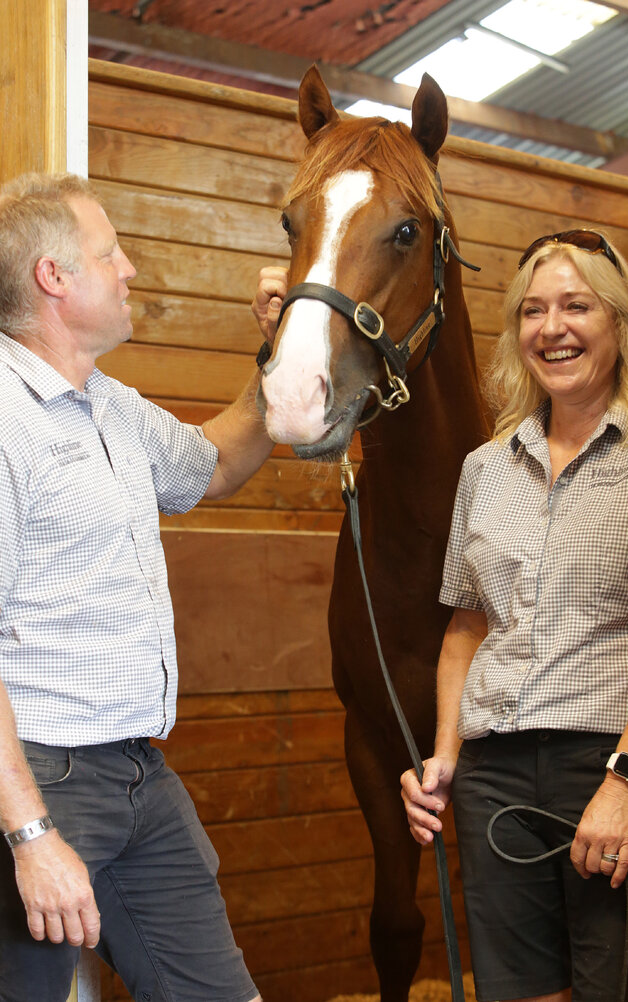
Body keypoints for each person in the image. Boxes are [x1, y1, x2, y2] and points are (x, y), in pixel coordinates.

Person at [0, 172, 280, 1002]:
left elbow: (218, 460)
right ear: (55, 277)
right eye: (110, 252)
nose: (130, 270)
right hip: (38, 779)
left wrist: (279, 354)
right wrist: (29, 834)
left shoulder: (109, 406)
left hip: (137, 772)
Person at [400, 229, 628, 1002]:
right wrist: (446, 755)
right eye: (533, 311)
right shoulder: (485, 469)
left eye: (577, 306)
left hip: (606, 765)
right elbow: (467, 628)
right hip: (495, 778)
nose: (552, 329)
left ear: (619, 322)